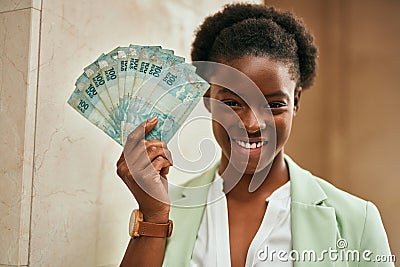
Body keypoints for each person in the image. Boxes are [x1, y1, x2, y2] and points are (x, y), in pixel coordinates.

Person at [116, 3, 393, 266]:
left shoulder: (356, 220)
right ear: (207, 97)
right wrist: (153, 216)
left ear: (296, 102)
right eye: (232, 103)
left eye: (273, 105)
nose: (251, 124)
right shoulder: (167, 208)